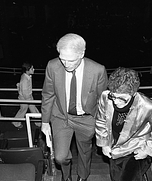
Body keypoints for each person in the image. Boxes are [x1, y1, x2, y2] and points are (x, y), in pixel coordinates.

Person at [41, 33, 108, 181]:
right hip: (61, 117)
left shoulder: (98, 70)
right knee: (60, 157)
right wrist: (45, 122)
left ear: (82, 54)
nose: (65, 64)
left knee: (85, 151)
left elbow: (103, 101)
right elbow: (48, 94)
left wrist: (101, 124)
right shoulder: (52, 66)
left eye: (70, 60)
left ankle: (82, 177)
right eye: (62, 59)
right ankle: (66, 175)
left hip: (87, 119)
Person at [95, 67, 152, 181]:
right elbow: (100, 121)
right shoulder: (105, 97)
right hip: (114, 147)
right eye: (113, 96)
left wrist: (147, 149)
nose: (116, 101)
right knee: (116, 177)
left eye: (122, 99)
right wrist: (103, 143)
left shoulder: (149, 107)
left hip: (136, 150)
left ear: (133, 94)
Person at [12, 62, 41, 128]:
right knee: (27, 109)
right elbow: (24, 91)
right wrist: (29, 100)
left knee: (26, 109)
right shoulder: (25, 79)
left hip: (26, 96)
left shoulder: (25, 75)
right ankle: (38, 123)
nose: (34, 69)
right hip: (25, 98)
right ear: (27, 70)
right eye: (32, 68)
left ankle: (38, 123)